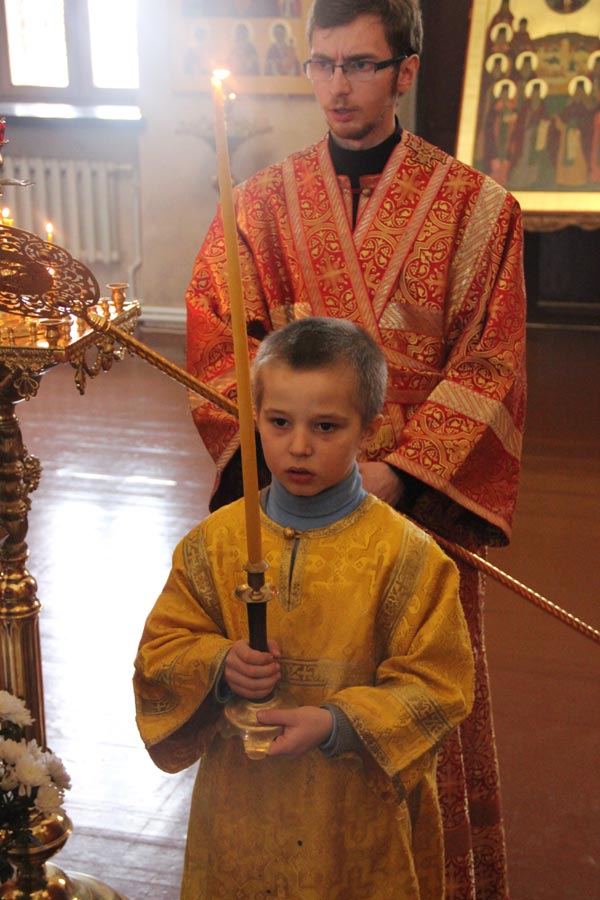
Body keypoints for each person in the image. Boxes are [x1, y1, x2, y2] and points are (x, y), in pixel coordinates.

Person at [185, 1, 527, 897]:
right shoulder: (258, 204)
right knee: (289, 674)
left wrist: (398, 473)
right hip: (297, 499)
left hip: (409, 504)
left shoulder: (479, 210)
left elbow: (491, 362)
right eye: (324, 64)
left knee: (417, 680)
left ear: (404, 72)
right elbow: (219, 333)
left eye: (361, 65)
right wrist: (291, 451)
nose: (338, 87)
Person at [134, 317, 474, 899]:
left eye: (326, 426)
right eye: (278, 422)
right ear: (254, 418)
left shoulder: (408, 556)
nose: (298, 446)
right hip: (240, 808)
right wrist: (219, 665)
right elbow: (161, 653)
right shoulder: (214, 543)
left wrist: (336, 722)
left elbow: (439, 687)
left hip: (352, 818)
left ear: (369, 428)